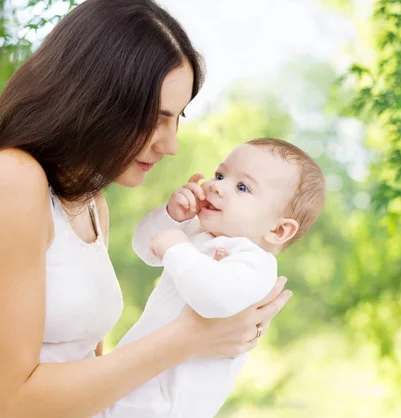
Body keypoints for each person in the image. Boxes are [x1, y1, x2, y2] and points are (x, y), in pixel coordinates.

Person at [0, 1, 291, 417]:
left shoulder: (91, 204)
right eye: (156, 117)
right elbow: (10, 401)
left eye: (179, 118)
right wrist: (190, 337)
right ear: (93, 98)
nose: (171, 145)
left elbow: (90, 379)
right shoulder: (13, 178)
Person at [102, 138, 326, 418]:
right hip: (125, 384)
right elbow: (145, 248)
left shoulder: (256, 263)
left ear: (279, 231)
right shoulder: (197, 233)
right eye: (220, 175)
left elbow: (215, 300)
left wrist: (175, 247)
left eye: (242, 187)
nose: (216, 186)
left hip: (165, 407)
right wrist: (171, 216)